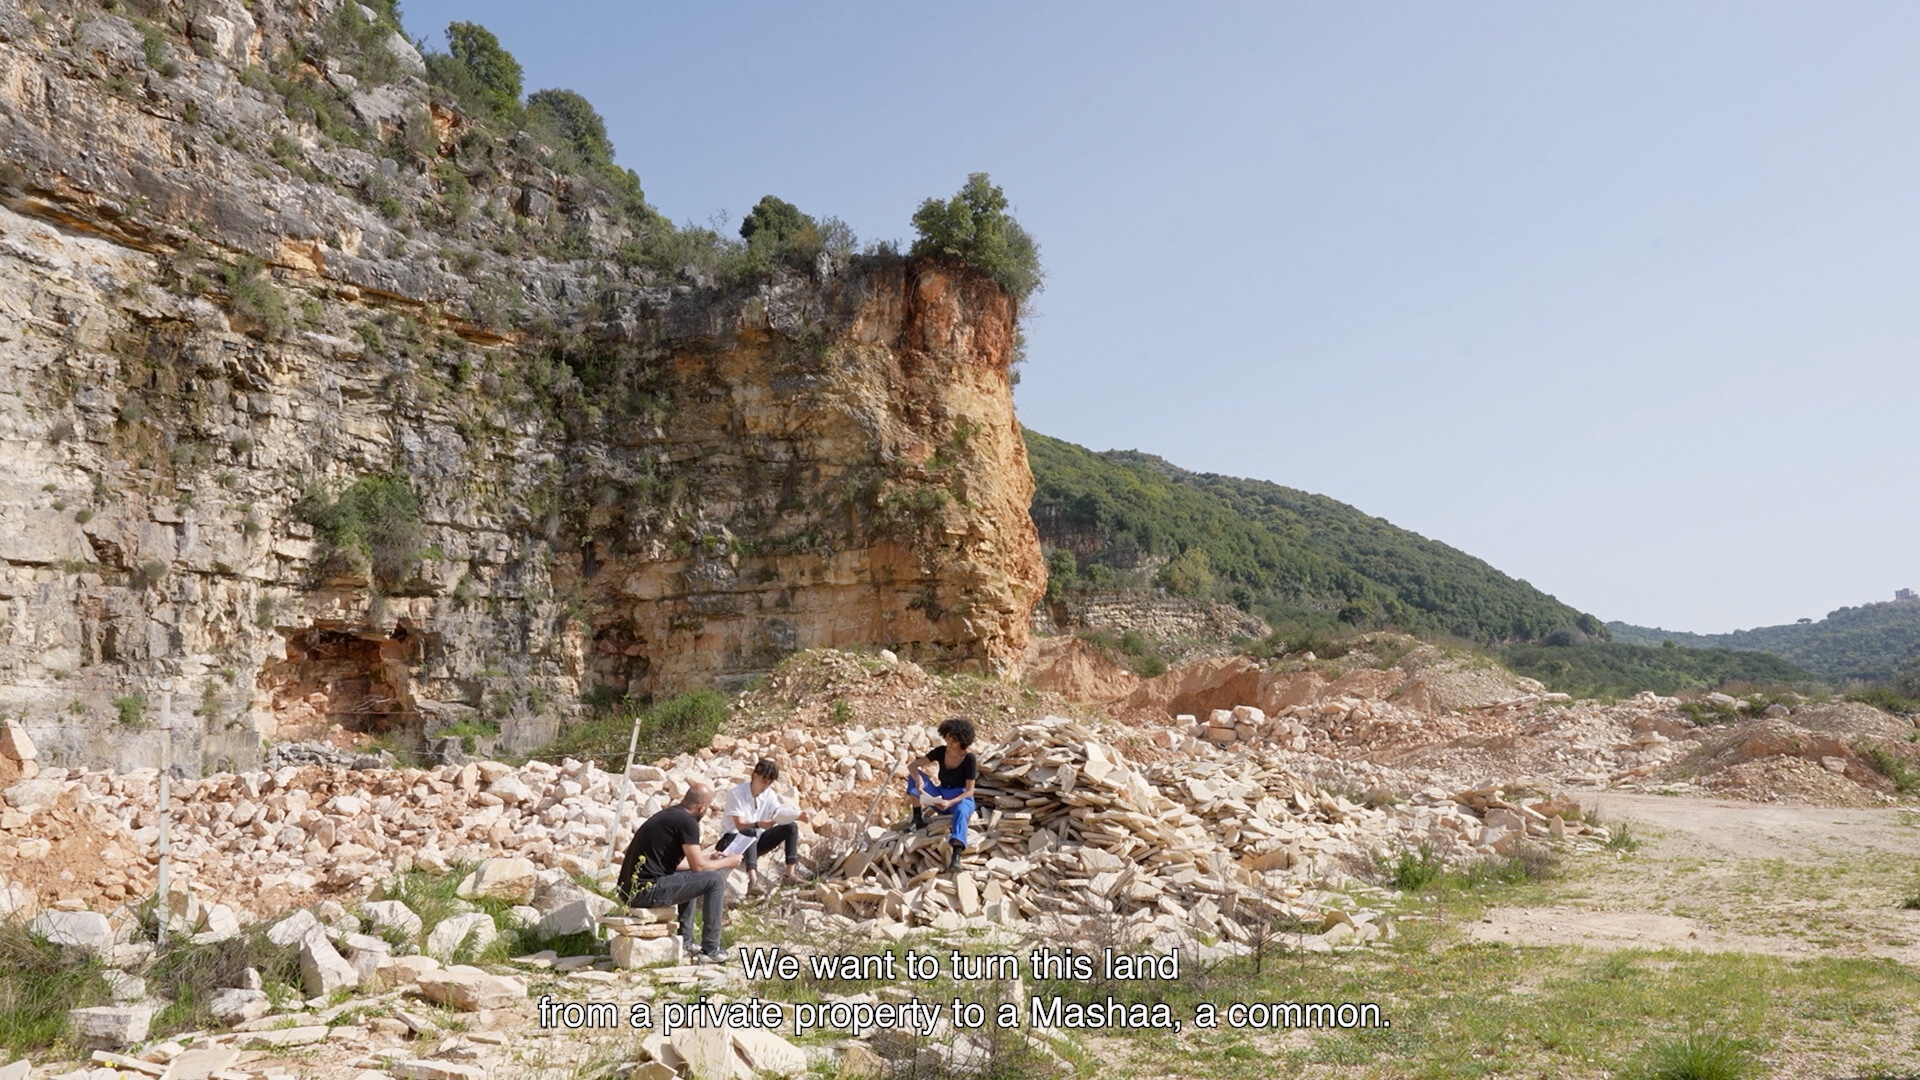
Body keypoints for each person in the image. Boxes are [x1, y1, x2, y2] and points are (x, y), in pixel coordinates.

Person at [615, 782, 741, 963]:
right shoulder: (688, 822)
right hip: (646, 890)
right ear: (702, 806)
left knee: (693, 876)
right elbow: (698, 866)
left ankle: (686, 942)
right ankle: (711, 949)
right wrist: (729, 861)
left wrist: (709, 861)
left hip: (631, 890)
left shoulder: (671, 816)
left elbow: (687, 864)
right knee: (714, 880)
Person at [715, 758, 810, 896]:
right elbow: (740, 825)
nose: (765, 786)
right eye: (763, 782)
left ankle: (790, 875)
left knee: (791, 827)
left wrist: (796, 815)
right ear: (755, 776)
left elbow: (777, 812)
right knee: (750, 831)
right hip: (732, 843)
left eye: (769, 783)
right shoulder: (736, 793)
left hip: (755, 843)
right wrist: (759, 823)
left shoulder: (768, 794)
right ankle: (753, 881)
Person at [904, 716, 979, 873]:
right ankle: (917, 818)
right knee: (913, 776)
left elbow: (970, 790)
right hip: (940, 795)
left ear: (962, 741)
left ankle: (956, 855)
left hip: (960, 798)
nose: (949, 744)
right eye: (947, 739)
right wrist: (918, 779)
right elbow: (913, 765)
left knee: (962, 811)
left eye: (953, 741)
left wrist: (950, 803)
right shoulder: (940, 752)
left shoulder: (969, 759)